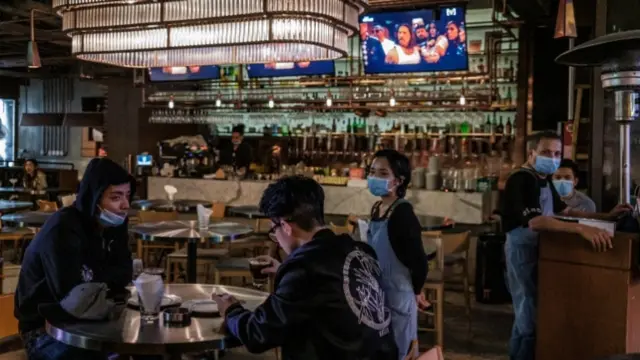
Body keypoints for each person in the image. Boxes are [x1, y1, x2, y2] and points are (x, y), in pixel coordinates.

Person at [212, 176, 397, 359]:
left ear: (285, 226)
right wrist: (286, 274)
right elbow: (332, 290)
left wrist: (231, 310)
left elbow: (258, 334)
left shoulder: (304, 268)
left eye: (273, 230)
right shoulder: (360, 250)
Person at [501, 131, 631, 360]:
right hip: (522, 251)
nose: (552, 158)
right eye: (546, 152)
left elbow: (566, 211)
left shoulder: (544, 179)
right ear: (531, 153)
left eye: (557, 153)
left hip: (542, 250)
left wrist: (606, 217)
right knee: (527, 317)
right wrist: (581, 229)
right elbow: (536, 220)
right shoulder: (521, 179)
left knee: (535, 313)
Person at [15, 157, 135, 360]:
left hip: (92, 321)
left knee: (146, 350)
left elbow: (125, 273)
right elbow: (72, 297)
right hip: (44, 331)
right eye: (116, 197)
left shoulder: (115, 224)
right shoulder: (63, 229)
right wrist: (105, 279)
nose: (125, 205)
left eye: (127, 196)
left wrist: (96, 280)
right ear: (94, 198)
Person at [367, 149, 429, 359]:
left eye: (383, 174)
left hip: (398, 296)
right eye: (372, 171)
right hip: (377, 295)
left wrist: (417, 290)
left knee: (401, 352)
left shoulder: (402, 213)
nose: (375, 177)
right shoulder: (377, 208)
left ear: (399, 181)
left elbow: (419, 261)